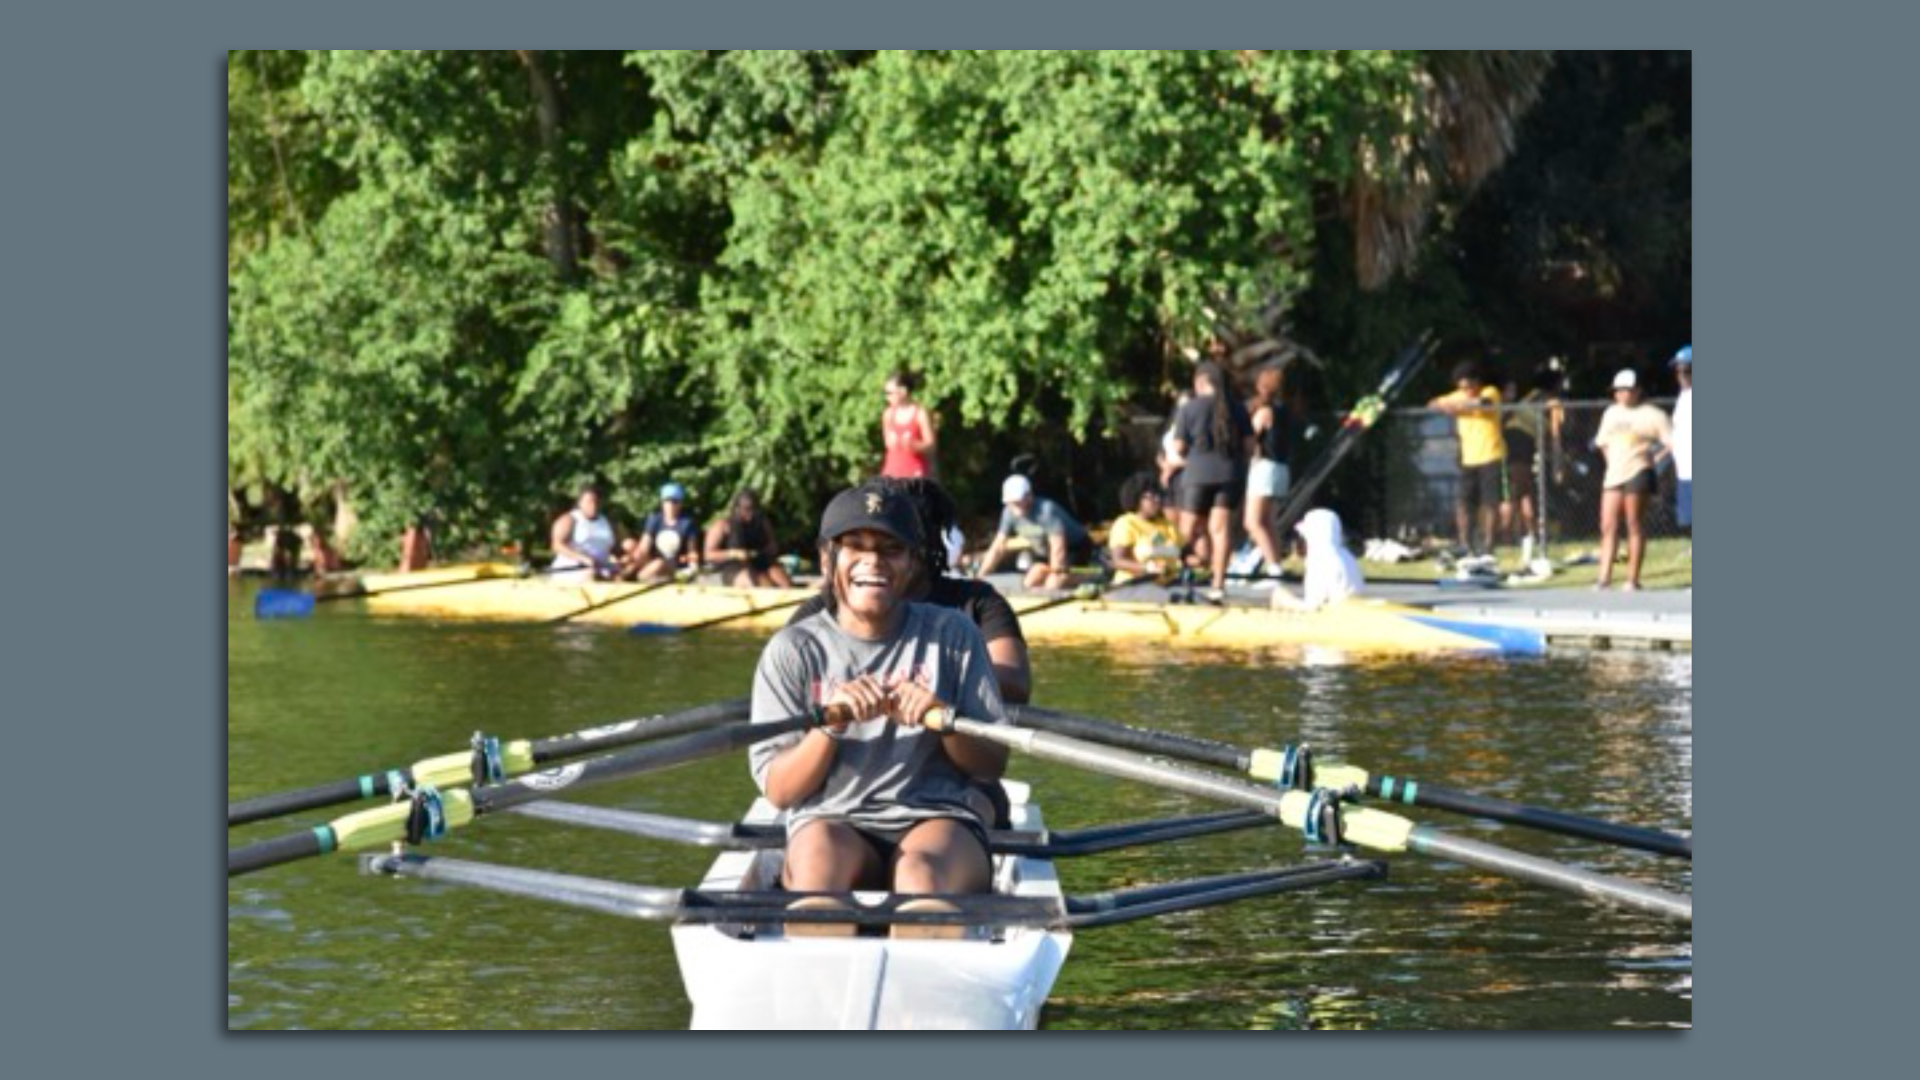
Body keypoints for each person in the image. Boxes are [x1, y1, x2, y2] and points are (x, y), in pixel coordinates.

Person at [749, 482, 1011, 936]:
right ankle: (820, 994)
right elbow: (779, 791)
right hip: (832, 817)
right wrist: (828, 727)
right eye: (855, 546)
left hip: (936, 817)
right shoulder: (793, 649)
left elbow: (992, 763)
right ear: (828, 558)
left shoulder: (953, 634)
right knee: (816, 879)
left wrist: (945, 719)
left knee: (920, 879)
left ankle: (924, 990)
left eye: (891, 549)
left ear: (911, 563)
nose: (873, 561)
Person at [789, 477, 1031, 706]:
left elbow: (1014, 685)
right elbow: (783, 686)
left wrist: (928, 691)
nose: (873, 559)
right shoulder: (821, 610)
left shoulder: (978, 603)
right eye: (858, 544)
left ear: (920, 548)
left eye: (891, 544)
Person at [1169, 360, 1253, 603]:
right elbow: (1250, 446)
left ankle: (1181, 574)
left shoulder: (1189, 409)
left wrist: (1191, 456)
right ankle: (1218, 584)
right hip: (1231, 474)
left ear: (1200, 382)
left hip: (1197, 475)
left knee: (1187, 528)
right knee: (1220, 529)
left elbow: (1179, 447)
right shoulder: (1237, 408)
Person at [1593, 369, 1674, 591]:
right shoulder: (1610, 413)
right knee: (1607, 524)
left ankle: (1632, 579)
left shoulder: (1653, 415)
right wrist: (1611, 462)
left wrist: (1654, 459)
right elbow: (1603, 442)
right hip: (1614, 475)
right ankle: (1604, 577)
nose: (1621, 395)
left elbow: (1671, 442)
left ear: (1637, 391)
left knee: (1633, 523)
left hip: (1639, 471)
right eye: (1618, 391)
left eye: (1626, 390)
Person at [1429, 362, 1508, 556]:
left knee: (1490, 502)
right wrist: (1450, 404)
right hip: (1468, 458)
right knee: (1464, 502)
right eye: (1461, 387)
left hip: (1491, 454)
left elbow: (1485, 403)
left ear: (1477, 382)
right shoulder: (1458, 396)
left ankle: (1489, 544)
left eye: (1468, 386)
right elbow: (1433, 404)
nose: (1465, 391)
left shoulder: (1490, 391)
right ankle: (1465, 542)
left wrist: (1459, 406)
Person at [973, 474, 1094, 591]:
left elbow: (1058, 546)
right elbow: (998, 547)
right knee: (1030, 581)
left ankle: (1091, 575)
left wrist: (1056, 574)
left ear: (1029, 495)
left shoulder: (1046, 510)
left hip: (1075, 547)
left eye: (1018, 500)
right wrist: (981, 576)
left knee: (1054, 583)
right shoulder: (1008, 513)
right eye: (1012, 502)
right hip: (1045, 550)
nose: (1016, 505)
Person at [1243, 359, 1291, 580]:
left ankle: (1273, 567)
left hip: (1264, 467)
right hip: (1281, 468)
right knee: (1269, 522)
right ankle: (1275, 563)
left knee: (1252, 522)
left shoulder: (1265, 412)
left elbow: (1251, 439)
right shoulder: (1284, 410)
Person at [1274, 508, 1364, 611]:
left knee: (1280, 594)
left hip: (1334, 613)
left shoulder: (1320, 560)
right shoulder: (1347, 556)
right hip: (1352, 608)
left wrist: (1286, 602)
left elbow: (1315, 607)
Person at [706, 488, 793, 588]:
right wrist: (733, 553)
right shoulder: (722, 525)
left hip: (760, 561)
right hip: (732, 566)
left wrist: (767, 550)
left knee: (784, 582)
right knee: (761, 582)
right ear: (737, 508)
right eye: (746, 510)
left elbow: (773, 546)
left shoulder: (763, 522)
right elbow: (708, 555)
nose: (750, 515)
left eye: (754, 510)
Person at [1106, 472, 1185, 581]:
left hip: (1168, 585)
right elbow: (1117, 561)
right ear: (1137, 498)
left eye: (1159, 496)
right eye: (1151, 496)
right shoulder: (1126, 523)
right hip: (1133, 586)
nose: (1158, 500)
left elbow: (1183, 555)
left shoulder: (1168, 525)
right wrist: (1147, 568)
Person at [632, 482, 703, 583]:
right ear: (662, 503)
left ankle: (642, 580)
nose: (671, 505)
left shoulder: (687, 523)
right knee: (637, 554)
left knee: (658, 564)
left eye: (675, 501)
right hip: (653, 563)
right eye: (667, 501)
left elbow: (692, 550)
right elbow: (644, 547)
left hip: (676, 565)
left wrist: (693, 567)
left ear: (680, 503)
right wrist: (638, 556)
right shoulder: (654, 520)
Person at [550, 485, 623, 580]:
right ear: (580, 503)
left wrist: (621, 559)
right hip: (572, 570)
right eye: (589, 502)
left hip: (602, 569)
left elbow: (616, 549)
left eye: (596, 501)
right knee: (590, 574)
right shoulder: (568, 520)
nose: (593, 505)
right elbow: (557, 545)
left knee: (623, 575)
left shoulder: (609, 523)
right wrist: (584, 559)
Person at [879, 371, 938, 479]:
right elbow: (888, 444)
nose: (887, 397)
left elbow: (931, 446)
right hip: (891, 474)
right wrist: (893, 442)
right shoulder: (888, 414)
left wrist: (914, 445)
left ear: (903, 391)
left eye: (890, 393)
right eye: (885, 393)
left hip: (915, 475)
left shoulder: (920, 413)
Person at [1668, 345, 1692, 545]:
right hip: (1684, 469)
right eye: (1679, 370)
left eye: (1687, 370)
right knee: (1687, 519)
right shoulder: (1683, 397)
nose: (1681, 375)